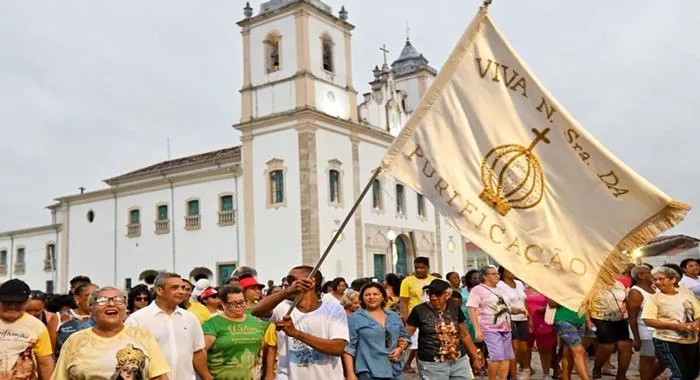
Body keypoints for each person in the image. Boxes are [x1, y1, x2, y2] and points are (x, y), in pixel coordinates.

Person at [252, 265, 348, 379]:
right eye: (287, 280)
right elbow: (257, 311)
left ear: (311, 282)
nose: (287, 283)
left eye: (292, 280)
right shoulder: (283, 307)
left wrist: (296, 333)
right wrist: (286, 292)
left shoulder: (333, 309)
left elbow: (337, 348)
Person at [52, 286, 170, 379]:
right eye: (102, 301)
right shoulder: (75, 341)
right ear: (91, 310)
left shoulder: (143, 336)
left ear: (125, 308)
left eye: (119, 300)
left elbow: (159, 376)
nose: (112, 304)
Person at [126, 272, 211, 380]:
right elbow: (131, 357)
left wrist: (207, 378)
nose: (181, 291)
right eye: (175, 288)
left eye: (183, 287)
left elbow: (198, 352)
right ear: (159, 290)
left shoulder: (190, 318)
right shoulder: (137, 319)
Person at [406, 279, 484, 379]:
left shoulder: (455, 308)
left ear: (447, 295)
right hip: (432, 364)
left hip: (459, 360)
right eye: (430, 293)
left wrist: (475, 356)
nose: (433, 297)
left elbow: (464, 334)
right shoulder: (419, 310)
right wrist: (399, 349)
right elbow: (407, 334)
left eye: (437, 294)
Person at [343, 282, 411, 380]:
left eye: (375, 294)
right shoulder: (355, 319)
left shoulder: (394, 316)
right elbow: (349, 348)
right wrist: (350, 373)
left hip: (394, 370)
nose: (371, 297)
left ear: (383, 297)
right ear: (362, 299)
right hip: (369, 372)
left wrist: (400, 349)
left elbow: (406, 338)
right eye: (367, 295)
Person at [642, 266, 700, 380]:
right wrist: (674, 326)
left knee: (692, 373)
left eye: (661, 279)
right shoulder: (654, 298)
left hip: (690, 339)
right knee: (680, 374)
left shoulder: (687, 295)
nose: (657, 282)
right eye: (655, 280)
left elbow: (698, 314)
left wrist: (696, 324)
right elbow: (648, 320)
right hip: (666, 340)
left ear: (673, 280)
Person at [203, 285, 269, 379]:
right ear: (223, 304)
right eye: (234, 303)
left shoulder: (256, 322)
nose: (239, 306)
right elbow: (200, 353)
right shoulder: (212, 324)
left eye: (242, 302)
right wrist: (206, 377)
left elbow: (265, 348)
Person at [0, 279, 54, 379]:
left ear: (27, 302)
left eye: (18, 303)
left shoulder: (37, 326)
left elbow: (45, 362)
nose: (12, 306)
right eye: (7, 302)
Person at [468, 265, 512, 380]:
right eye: (493, 274)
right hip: (490, 328)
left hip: (506, 327)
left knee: (506, 357)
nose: (497, 275)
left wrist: (519, 309)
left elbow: (506, 306)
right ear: (485, 277)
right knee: (497, 357)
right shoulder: (478, 289)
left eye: (497, 273)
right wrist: (477, 329)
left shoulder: (501, 289)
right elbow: (472, 309)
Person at [588, 279, 632, 380]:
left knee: (625, 346)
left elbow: (626, 298)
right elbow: (586, 304)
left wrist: (625, 306)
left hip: (620, 318)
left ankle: (621, 375)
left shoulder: (619, 284)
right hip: (600, 317)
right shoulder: (592, 283)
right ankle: (597, 369)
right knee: (608, 346)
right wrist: (587, 320)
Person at [400, 257, 437, 373]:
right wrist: (405, 317)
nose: (419, 270)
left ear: (427, 268)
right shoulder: (407, 281)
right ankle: (421, 369)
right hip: (415, 316)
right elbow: (404, 301)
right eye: (417, 268)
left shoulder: (434, 280)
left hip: (432, 316)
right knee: (416, 345)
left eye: (422, 268)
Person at [627, 265, 663, 380]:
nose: (653, 275)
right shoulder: (636, 292)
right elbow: (632, 317)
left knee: (663, 359)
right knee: (647, 359)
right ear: (641, 275)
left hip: (658, 330)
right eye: (650, 273)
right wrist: (636, 338)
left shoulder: (654, 288)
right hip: (646, 332)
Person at [497, 266, 530, 379]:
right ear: (502, 273)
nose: (512, 271)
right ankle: (513, 376)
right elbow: (501, 303)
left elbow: (525, 301)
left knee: (523, 348)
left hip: (523, 318)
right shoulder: (500, 285)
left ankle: (510, 370)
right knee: (513, 348)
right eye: (508, 270)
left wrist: (530, 319)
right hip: (509, 318)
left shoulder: (519, 283)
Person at [55, 283, 98, 357]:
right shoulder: (59, 318)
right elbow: (51, 352)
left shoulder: (107, 318)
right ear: (77, 298)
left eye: (98, 297)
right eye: (89, 296)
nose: (94, 300)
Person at [552, 303, 590, 380]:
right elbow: (551, 303)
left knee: (568, 353)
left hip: (580, 320)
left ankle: (565, 377)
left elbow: (586, 303)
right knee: (579, 351)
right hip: (564, 319)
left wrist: (587, 319)